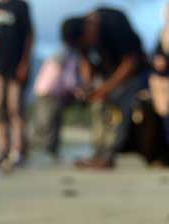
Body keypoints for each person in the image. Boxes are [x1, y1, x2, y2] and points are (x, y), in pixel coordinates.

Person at [62, 7, 148, 170]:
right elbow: (85, 60)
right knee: (98, 107)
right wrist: (88, 87)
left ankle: (109, 155)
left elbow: (130, 62)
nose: (88, 44)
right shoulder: (81, 37)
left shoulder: (114, 21)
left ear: (88, 27)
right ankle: (98, 152)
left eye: (86, 40)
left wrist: (106, 89)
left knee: (120, 106)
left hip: (132, 73)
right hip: (107, 74)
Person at [0, 0, 34, 173]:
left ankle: (18, 150)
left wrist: (25, 62)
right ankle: (2, 148)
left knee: (15, 107)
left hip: (17, 63)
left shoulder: (20, 6)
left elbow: (29, 35)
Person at [32, 50, 79, 162]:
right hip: (51, 92)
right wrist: (75, 91)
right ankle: (48, 152)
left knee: (47, 123)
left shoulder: (58, 56)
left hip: (46, 92)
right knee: (50, 124)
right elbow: (69, 80)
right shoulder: (69, 56)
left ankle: (48, 152)